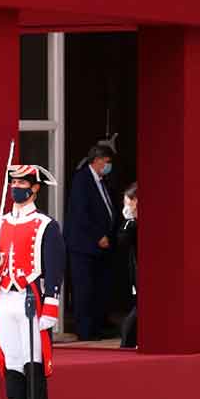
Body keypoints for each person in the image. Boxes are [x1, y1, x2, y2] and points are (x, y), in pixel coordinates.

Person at [0, 165, 66, 399]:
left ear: (35, 188)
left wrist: (51, 305)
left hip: (31, 299)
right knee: (12, 361)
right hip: (5, 297)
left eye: (22, 182)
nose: (16, 187)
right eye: (13, 182)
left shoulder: (46, 225)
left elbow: (55, 268)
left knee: (34, 361)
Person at [65, 144, 117, 340]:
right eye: (106, 161)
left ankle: (96, 328)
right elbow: (81, 212)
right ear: (97, 160)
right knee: (84, 289)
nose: (108, 165)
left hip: (100, 247)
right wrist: (98, 235)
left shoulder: (102, 181)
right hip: (83, 246)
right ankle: (85, 331)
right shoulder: (82, 180)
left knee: (98, 289)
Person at [119, 183, 138, 348]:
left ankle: (127, 343)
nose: (126, 206)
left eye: (128, 202)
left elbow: (123, 240)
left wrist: (129, 221)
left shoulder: (133, 224)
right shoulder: (133, 224)